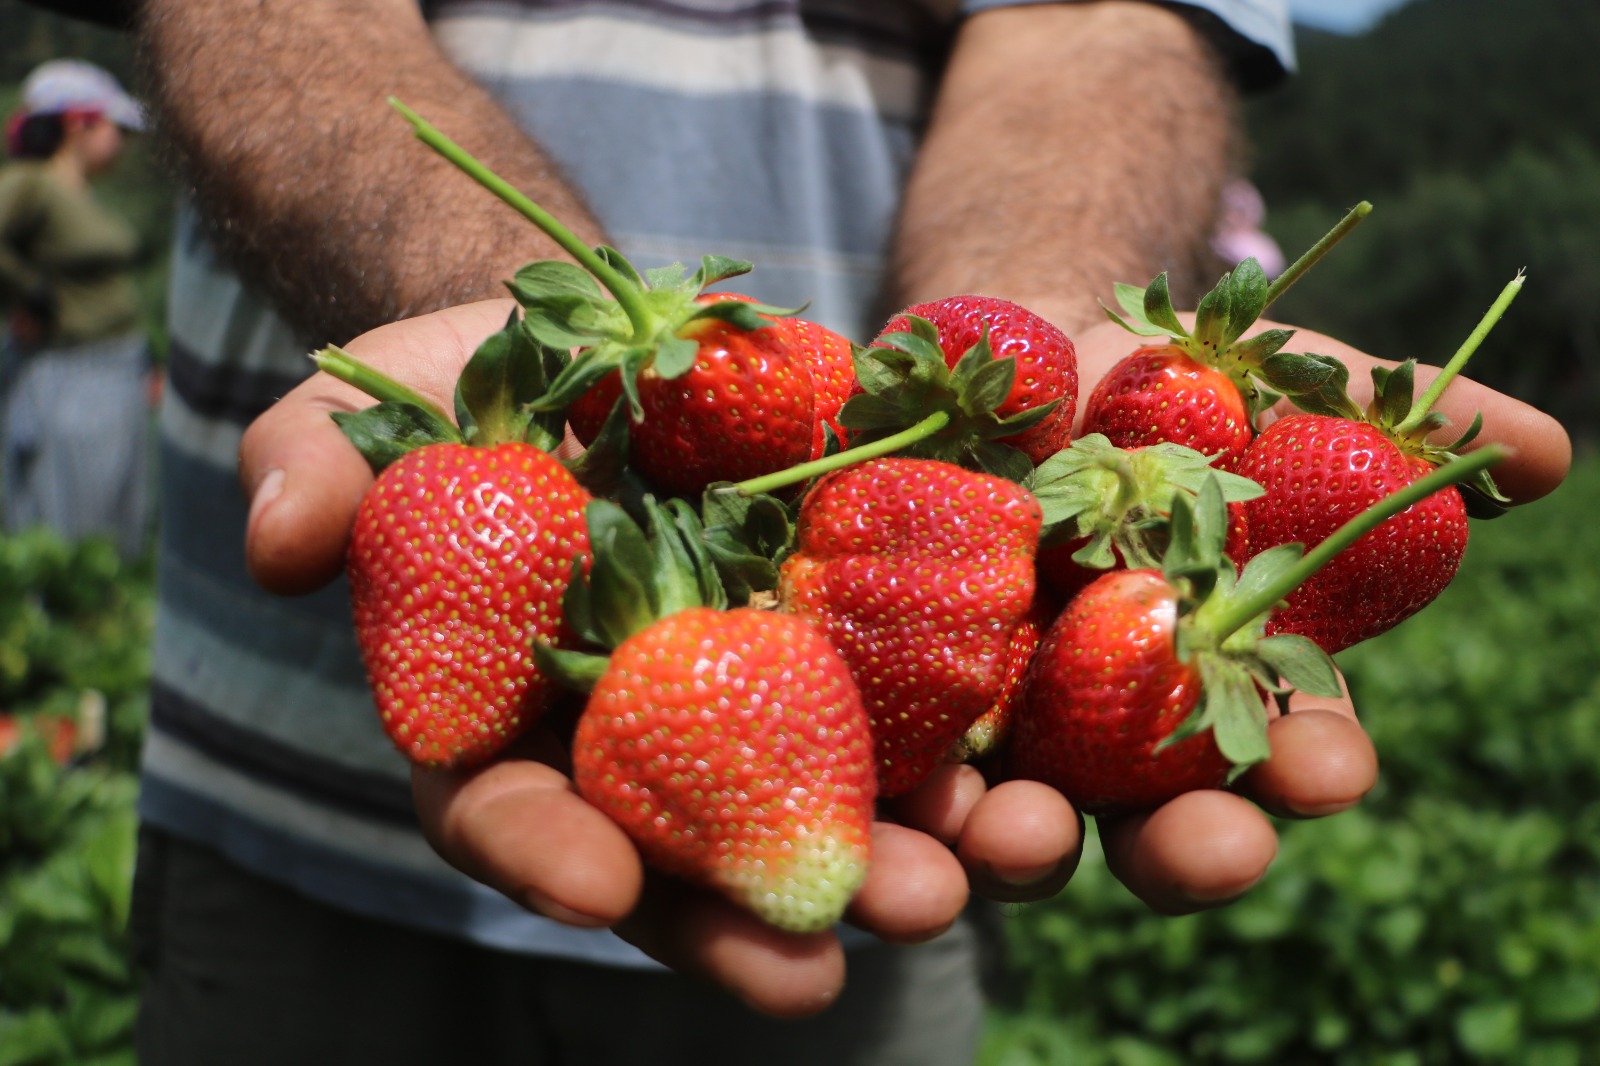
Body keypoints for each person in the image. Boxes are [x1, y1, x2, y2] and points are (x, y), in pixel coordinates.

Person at [98, 1, 1571, 1063]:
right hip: (280, 791)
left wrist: (1023, 351)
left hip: (865, 854)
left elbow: (1093, 22)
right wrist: (535, 323)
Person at [0, 58, 153, 559]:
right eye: (116, 128)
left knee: (115, 520)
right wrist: (31, 294)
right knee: (73, 528)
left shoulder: (80, 195)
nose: (122, 143)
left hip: (112, 373)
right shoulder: (32, 184)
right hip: (71, 377)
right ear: (77, 123)